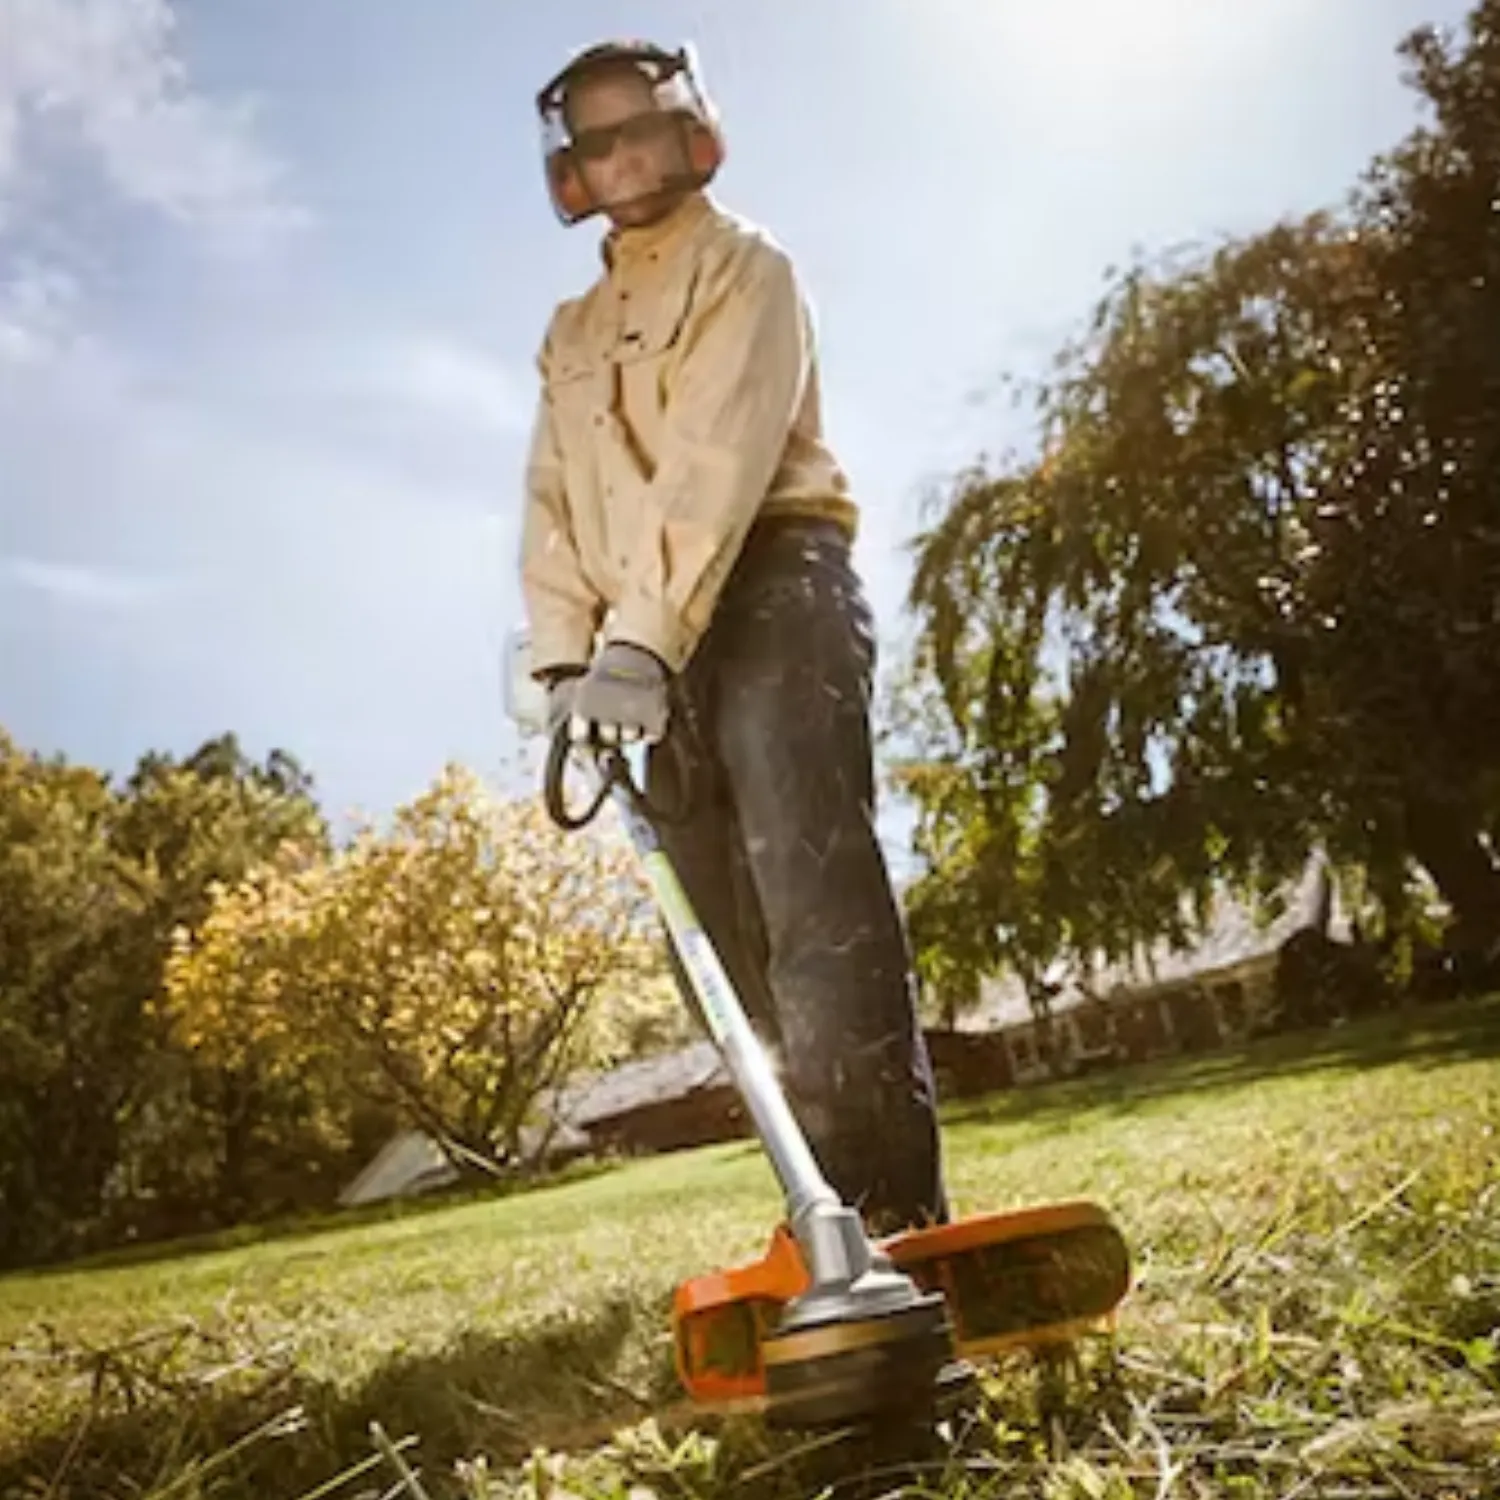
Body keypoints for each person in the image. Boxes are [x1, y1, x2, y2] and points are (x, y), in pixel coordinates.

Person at [519, 39, 948, 1236]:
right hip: (634, 658)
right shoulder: (568, 332)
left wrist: (639, 642)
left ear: (691, 131)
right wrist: (564, 659)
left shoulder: (747, 268)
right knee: (708, 936)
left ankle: (896, 1221)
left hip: (770, 587)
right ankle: (825, 1225)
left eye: (640, 127)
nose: (623, 155)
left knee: (814, 905)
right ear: (572, 167)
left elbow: (716, 462)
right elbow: (552, 501)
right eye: (596, 140)